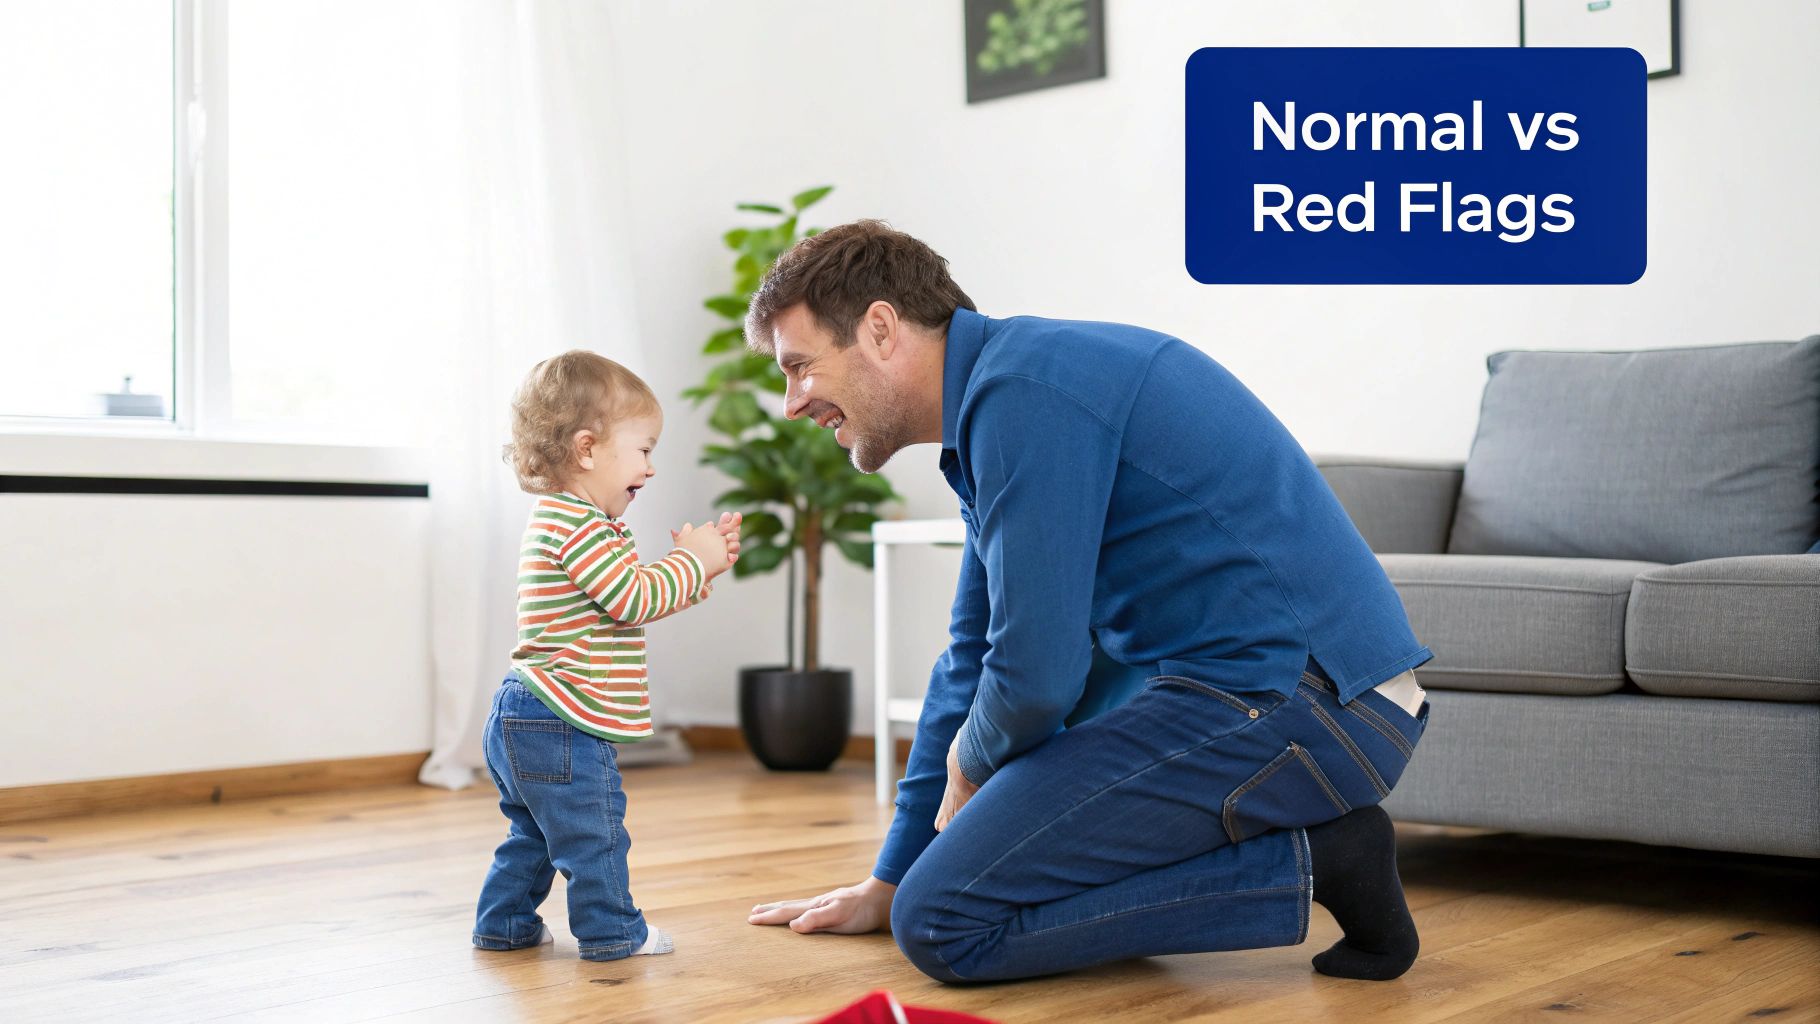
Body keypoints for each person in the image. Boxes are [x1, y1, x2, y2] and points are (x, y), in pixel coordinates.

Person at [743, 221, 1432, 984]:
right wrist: (893, 874)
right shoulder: (1001, 402)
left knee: (944, 923)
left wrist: (970, 773)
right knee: (931, 893)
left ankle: (1326, 859)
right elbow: (973, 659)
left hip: (1312, 702)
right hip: (1263, 694)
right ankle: (1321, 855)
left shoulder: (1026, 393)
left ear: (879, 328)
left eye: (800, 367)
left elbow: (1036, 675)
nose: (791, 403)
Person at [473, 350, 741, 961]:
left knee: (536, 835)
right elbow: (631, 599)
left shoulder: (567, 520)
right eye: (643, 450)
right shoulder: (581, 525)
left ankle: (504, 922)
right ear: (588, 449)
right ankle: (613, 932)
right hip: (559, 720)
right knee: (595, 836)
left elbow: (624, 602)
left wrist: (697, 572)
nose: (650, 469)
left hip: (527, 713)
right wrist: (690, 561)